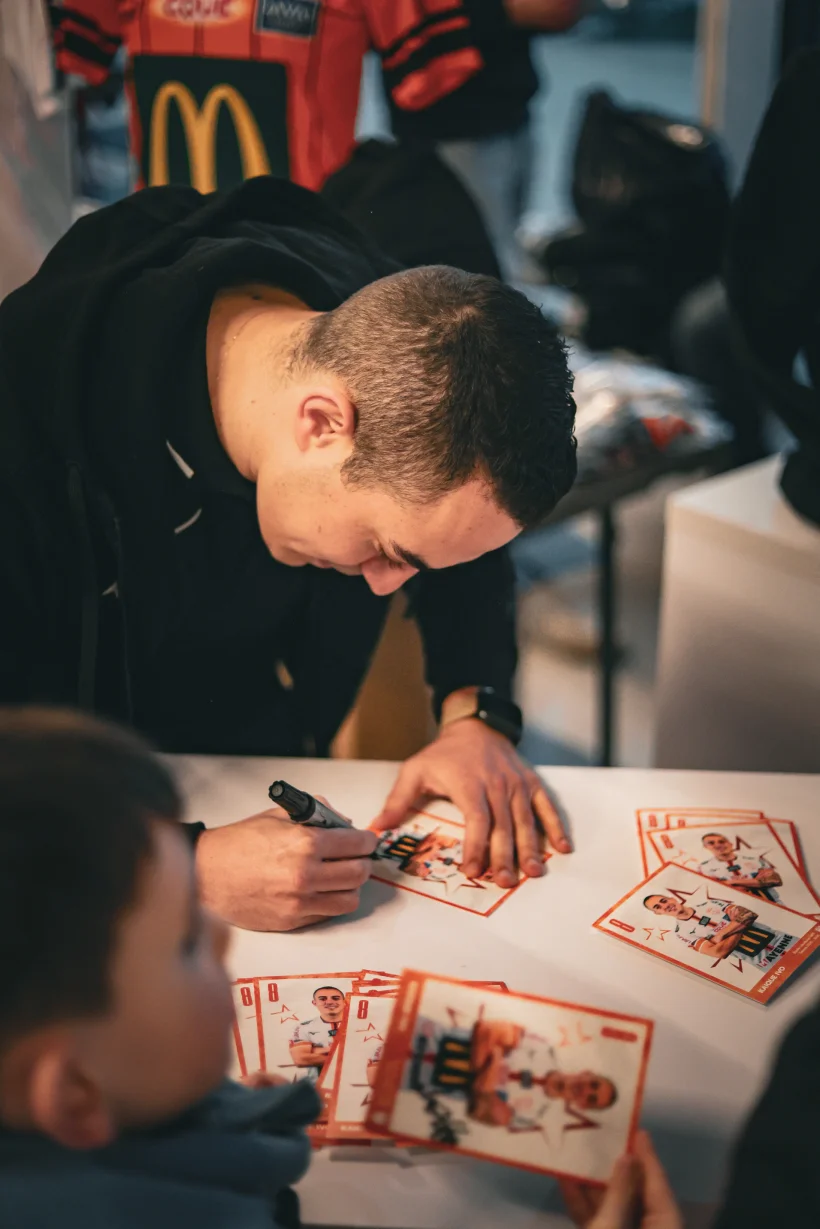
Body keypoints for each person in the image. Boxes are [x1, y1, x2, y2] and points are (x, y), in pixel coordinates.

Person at [0, 175, 577, 932]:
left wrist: (476, 713)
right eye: (383, 548)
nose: (384, 587)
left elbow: (456, 537)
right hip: (81, 844)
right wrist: (177, 865)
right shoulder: (30, 430)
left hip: (258, 762)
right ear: (321, 422)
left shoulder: (396, 337)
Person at [0, 705, 319, 1229]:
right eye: (186, 944)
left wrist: (230, 1119)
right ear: (76, 1094)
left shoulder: (123, 1084)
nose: (221, 935)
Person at [643, 894, 797, 971]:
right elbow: (719, 952)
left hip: (786, 941)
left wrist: (720, 936)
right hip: (767, 962)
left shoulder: (710, 903)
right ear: (658, 913)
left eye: (664, 901)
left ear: (672, 898)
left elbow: (748, 914)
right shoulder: (681, 934)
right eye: (657, 907)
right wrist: (736, 924)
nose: (665, 906)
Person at [698, 832, 782, 904]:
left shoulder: (755, 859)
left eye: (722, 841)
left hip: (774, 904)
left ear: (730, 843)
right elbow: (718, 892)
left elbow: (775, 880)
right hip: (742, 911)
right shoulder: (704, 868)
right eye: (711, 843)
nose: (718, 845)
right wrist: (756, 881)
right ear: (705, 847)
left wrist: (731, 882)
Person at [289, 986, 345, 1082]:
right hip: (317, 1086)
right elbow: (300, 1059)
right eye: (322, 999)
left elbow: (364, 1056)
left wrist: (318, 1051)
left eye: (335, 998)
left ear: (344, 1001)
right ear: (314, 1003)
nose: (329, 1002)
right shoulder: (303, 1027)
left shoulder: (360, 1025)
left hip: (353, 1087)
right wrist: (347, 1055)